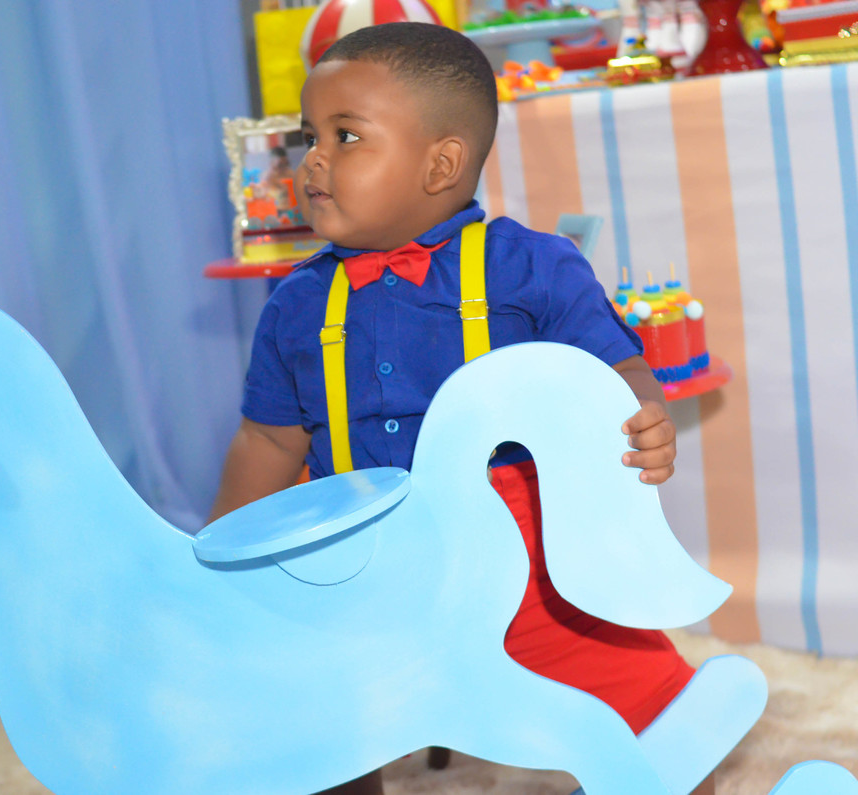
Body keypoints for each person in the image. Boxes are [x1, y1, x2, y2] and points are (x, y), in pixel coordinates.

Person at [206, 21, 713, 795]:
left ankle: (663, 762)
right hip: (359, 557)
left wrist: (644, 413)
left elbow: (616, 371)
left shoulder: (532, 267)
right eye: (311, 136)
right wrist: (218, 558)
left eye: (346, 136)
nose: (313, 160)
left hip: (516, 553)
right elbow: (267, 441)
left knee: (647, 701)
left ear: (441, 163)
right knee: (316, 707)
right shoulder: (296, 303)